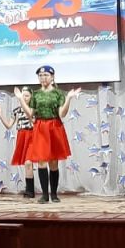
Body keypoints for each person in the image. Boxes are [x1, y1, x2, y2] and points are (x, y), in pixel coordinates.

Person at [14, 66, 81, 203]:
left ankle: (54, 194)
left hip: (54, 127)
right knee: (41, 161)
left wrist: (69, 98)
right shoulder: (36, 94)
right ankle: (45, 195)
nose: (43, 78)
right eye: (40, 75)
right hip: (40, 127)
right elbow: (30, 113)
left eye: (46, 75)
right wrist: (21, 99)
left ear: (52, 77)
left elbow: (62, 113)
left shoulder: (58, 93)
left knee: (54, 162)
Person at [0, 87, 36, 198]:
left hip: (32, 136)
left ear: (31, 97)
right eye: (23, 96)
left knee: (28, 163)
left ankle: (30, 190)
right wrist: (0, 114)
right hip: (21, 137)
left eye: (27, 96)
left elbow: (35, 121)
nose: (24, 98)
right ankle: (29, 190)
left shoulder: (33, 109)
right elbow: (8, 125)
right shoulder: (16, 110)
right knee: (27, 164)